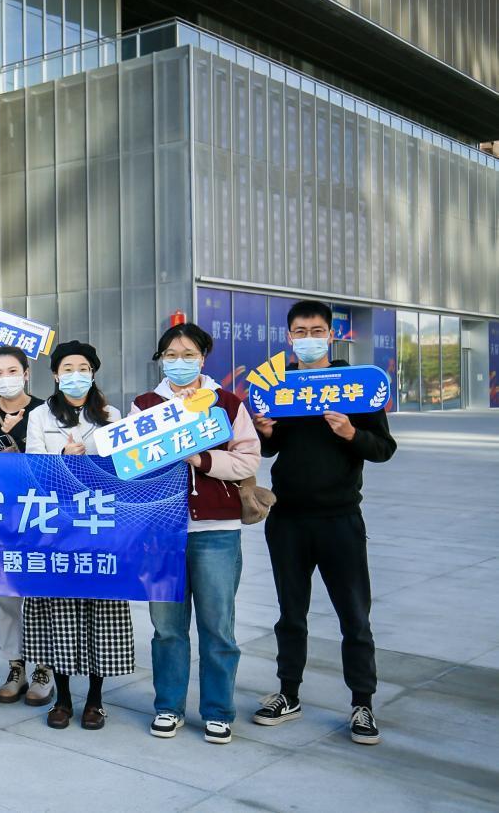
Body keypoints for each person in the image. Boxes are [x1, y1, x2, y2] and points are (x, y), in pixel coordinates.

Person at [251, 300, 396, 745]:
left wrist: (351, 433)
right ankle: (288, 694)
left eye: (317, 331)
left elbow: (383, 448)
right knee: (290, 614)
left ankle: (362, 703)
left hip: (340, 519)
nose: (308, 338)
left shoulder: (355, 386)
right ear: (289, 337)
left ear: (331, 336)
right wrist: (266, 432)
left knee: (354, 616)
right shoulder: (279, 386)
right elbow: (270, 449)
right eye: (300, 331)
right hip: (288, 519)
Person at [136, 324, 261, 746]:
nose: (179, 362)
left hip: (216, 533)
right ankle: (168, 707)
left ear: (203, 357)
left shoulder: (227, 403)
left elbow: (248, 460)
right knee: (167, 628)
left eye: (188, 354)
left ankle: (218, 711)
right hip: (163, 534)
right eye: (171, 355)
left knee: (217, 626)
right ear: (161, 360)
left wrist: (201, 459)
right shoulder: (146, 406)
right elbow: (130, 463)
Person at [22, 341, 133, 730]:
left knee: (100, 612)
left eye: (83, 368)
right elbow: (32, 468)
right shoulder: (40, 416)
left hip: (99, 526)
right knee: (60, 615)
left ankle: (96, 701)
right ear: (55, 375)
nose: (75, 374)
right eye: (67, 368)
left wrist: (93, 464)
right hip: (56, 528)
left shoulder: (112, 416)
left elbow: (122, 469)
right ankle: (64, 700)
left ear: (93, 372)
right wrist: (63, 461)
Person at [0, 346, 53, 706]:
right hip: (0, 516)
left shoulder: (45, 411)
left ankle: (45, 668)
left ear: (26, 373)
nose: (5, 379)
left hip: (40, 515)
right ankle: (15, 666)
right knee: (6, 595)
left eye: (12, 371)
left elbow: (53, 465)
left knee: (43, 594)